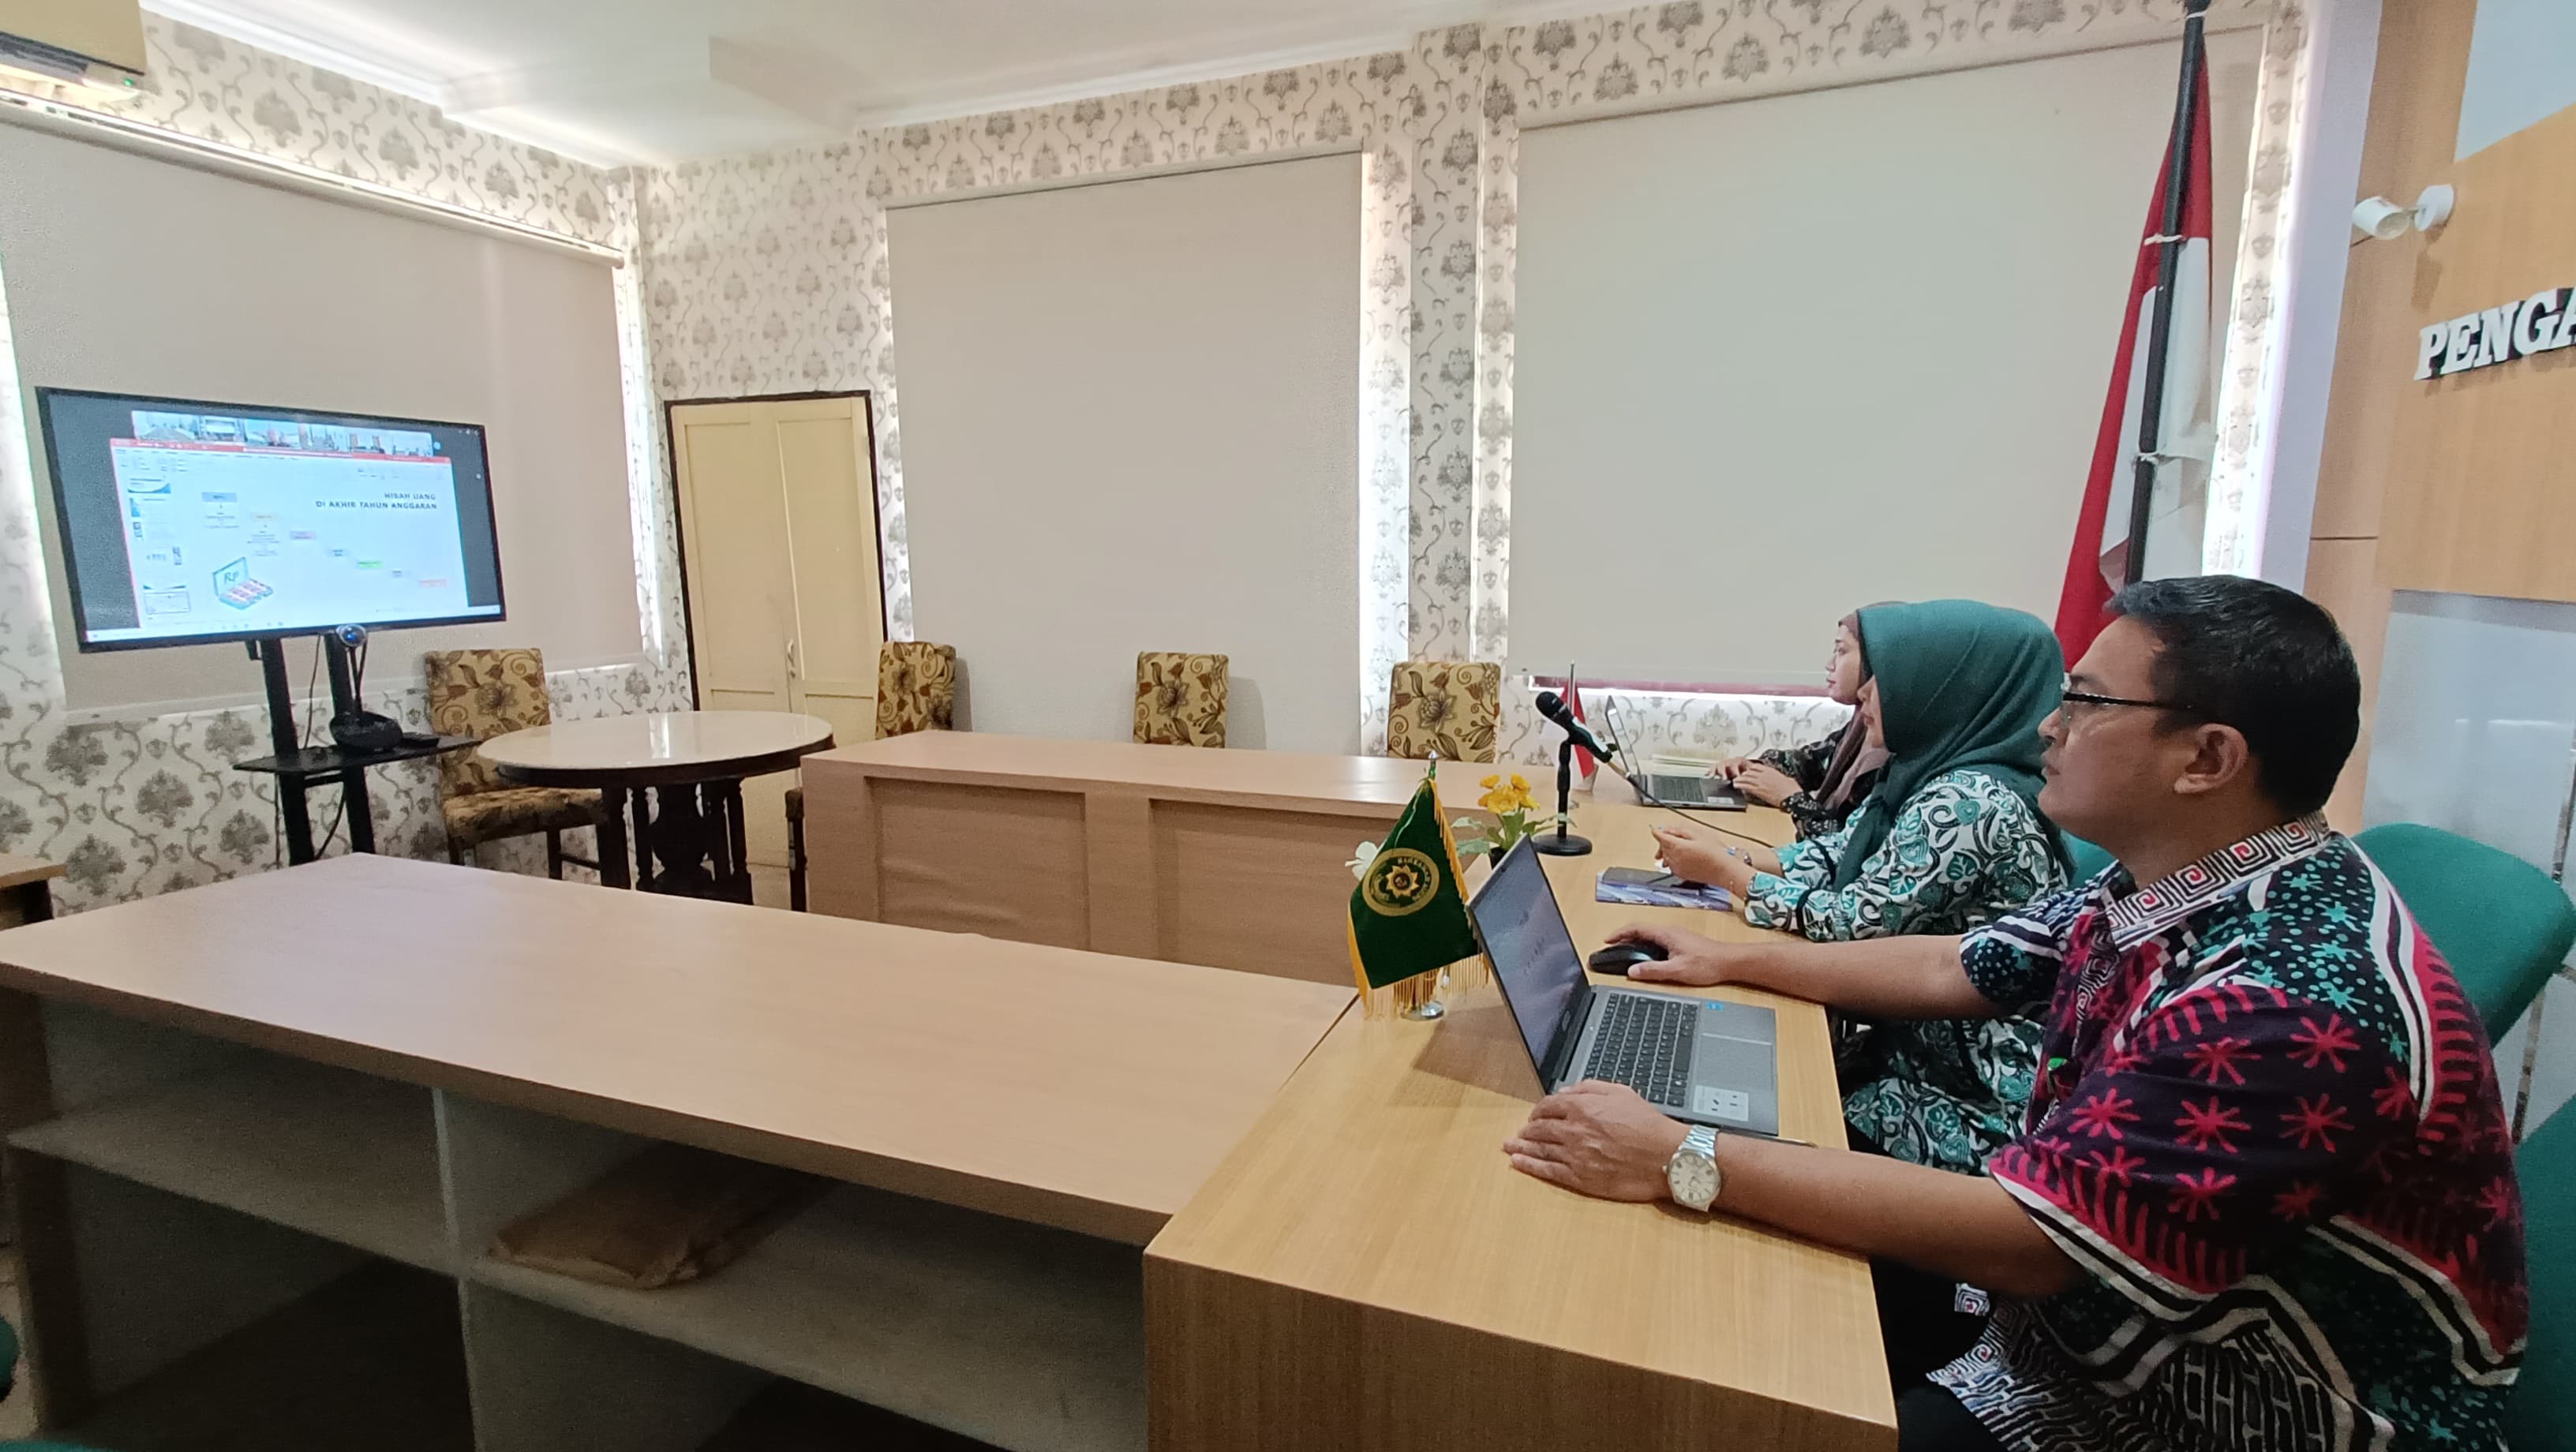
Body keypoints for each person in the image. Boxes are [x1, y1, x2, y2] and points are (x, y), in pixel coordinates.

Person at [1504, 576, 2527, 1452]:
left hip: (2199, 1414)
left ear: (2207, 758)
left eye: (2085, 700)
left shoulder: (2289, 1001)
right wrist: (1732, 959)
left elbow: (2035, 1239)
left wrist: (1681, 1156)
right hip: (2076, 1335)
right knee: (1716, 1313)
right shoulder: (2175, 878)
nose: (2048, 724)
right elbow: (1963, 962)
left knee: (1720, 1358)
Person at [1653, 601, 2072, 1174]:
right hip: (1910, 1055)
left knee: (1752, 1117)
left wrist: (1729, 875)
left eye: (1887, 677)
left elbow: (1851, 926)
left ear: (1946, 688)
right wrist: (1728, 854)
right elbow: (1840, 853)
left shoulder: (1970, 802)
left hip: (1968, 1103)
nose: (1867, 692)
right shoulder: (1931, 768)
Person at [1722, 612, 1886, 839]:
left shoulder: (1890, 753)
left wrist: (1793, 799)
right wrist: (1752, 770)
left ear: (1878, 660)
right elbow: (1811, 763)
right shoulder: (1861, 728)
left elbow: (1848, 848)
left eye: (1841, 651)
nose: (1830, 665)